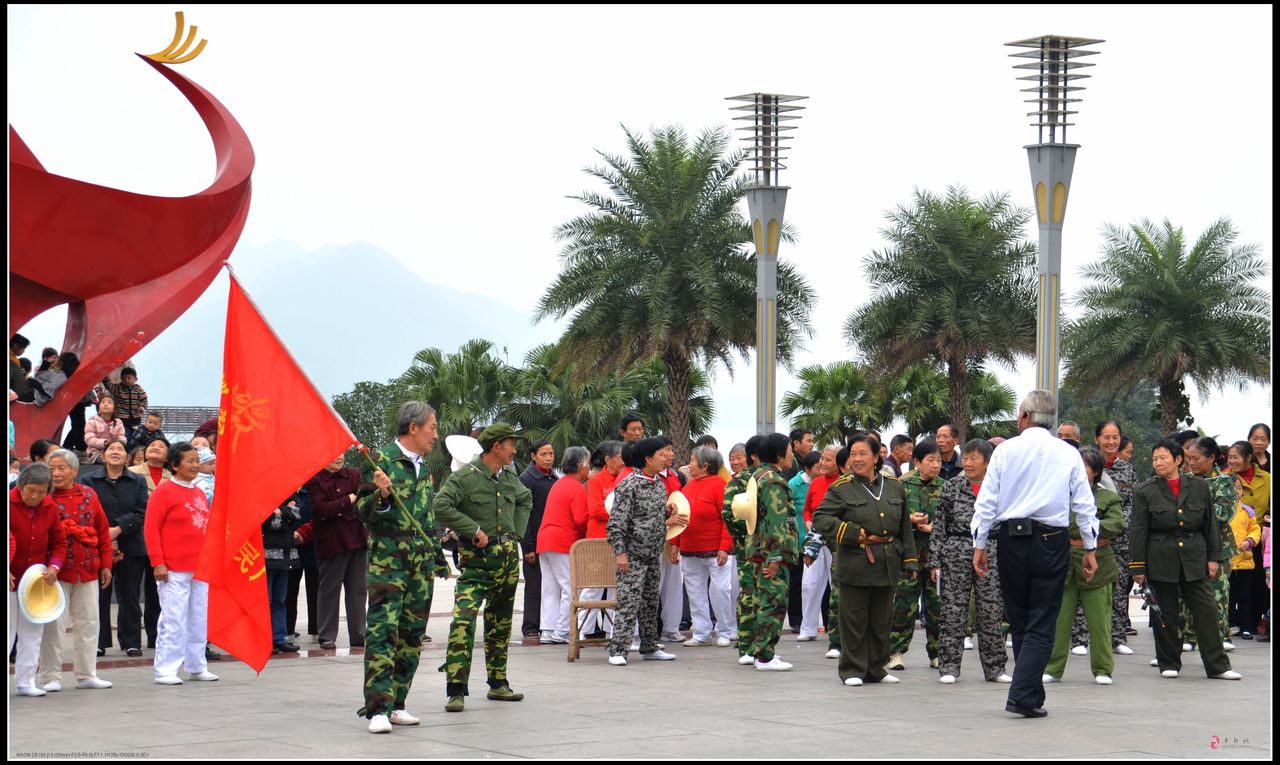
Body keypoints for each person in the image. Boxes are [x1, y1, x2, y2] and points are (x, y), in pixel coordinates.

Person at [970, 391, 1099, 718]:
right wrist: (1090, 546)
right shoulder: (1067, 453)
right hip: (1051, 540)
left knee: (1021, 618)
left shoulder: (1005, 451)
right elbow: (1084, 504)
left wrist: (979, 543)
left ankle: (1029, 693)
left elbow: (986, 501)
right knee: (1043, 620)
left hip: (1011, 541)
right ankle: (1023, 694)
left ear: (1025, 416)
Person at [355, 402, 450, 733]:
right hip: (388, 566)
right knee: (384, 633)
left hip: (419, 567)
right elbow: (363, 513)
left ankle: (397, 702)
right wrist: (381, 496)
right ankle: (377, 709)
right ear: (413, 427)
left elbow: (427, 520)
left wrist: (438, 558)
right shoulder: (380, 462)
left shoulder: (426, 470)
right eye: (432, 428)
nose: (436, 435)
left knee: (411, 636)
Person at [434, 423, 532, 713]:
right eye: (511, 444)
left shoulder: (510, 477)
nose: (515, 450)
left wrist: (516, 531)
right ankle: (455, 689)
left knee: (500, 624)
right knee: (462, 622)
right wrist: (472, 528)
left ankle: (498, 683)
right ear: (497, 447)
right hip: (476, 565)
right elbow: (441, 505)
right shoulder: (465, 477)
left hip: (507, 561)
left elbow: (525, 499)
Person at [1131, 439, 1240, 681]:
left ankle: (1218, 666)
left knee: (1207, 611)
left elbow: (1210, 525)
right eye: (1154, 459)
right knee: (1166, 614)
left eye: (1163, 458)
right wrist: (1137, 566)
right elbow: (1138, 530)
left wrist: (1214, 558)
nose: (1158, 463)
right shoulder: (1145, 491)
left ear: (1178, 459)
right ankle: (1168, 662)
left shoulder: (1199, 487)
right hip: (1161, 557)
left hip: (1194, 556)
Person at [812, 433, 916, 686]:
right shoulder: (841, 488)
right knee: (854, 620)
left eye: (862, 454)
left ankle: (876, 669)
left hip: (887, 562)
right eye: (853, 454)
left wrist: (910, 560)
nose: (857, 459)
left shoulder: (894, 486)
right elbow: (821, 519)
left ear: (876, 457)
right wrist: (850, 532)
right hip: (856, 563)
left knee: (881, 621)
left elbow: (904, 527)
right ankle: (852, 669)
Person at [931, 439, 1010, 685]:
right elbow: (939, 526)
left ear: (988, 462)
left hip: (991, 550)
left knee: (991, 610)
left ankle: (995, 668)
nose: (967, 462)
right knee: (953, 611)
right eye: (965, 457)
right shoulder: (952, 487)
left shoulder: (1000, 487)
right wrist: (935, 560)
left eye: (974, 458)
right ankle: (949, 667)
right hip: (957, 548)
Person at [1044, 446, 1125, 685]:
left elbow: (1116, 524)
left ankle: (1102, 669)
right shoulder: (1060, 495)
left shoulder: (1107, 497)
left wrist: (1087, 528)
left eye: (1084, 466)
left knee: (1099, 620)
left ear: (1096, 470)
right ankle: (1053, 668)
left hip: (1098, 561)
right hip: (1065, 560)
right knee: (1060, 619)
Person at [37, 449, 114, 691]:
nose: (56, 474)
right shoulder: (43, 498)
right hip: (55, 573)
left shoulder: (89, 494)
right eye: (52, 469)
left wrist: (107, 564)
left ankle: (86, 674)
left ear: (74, 471)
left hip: (89, 568)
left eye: (61, 469)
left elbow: (102, 530)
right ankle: (50, 676)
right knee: (53, 626)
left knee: (90, 622)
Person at [605, 437, 684, 666]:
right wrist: (620, 554)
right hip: (632, 556)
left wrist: (667, 514)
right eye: (661, 454)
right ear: (648, 458)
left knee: (650, 603)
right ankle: (618, 650)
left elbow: (652, 518)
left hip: (653, 554)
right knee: (628, 603)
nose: (666, 458)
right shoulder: (629, 485)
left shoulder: (658, 483)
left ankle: (649, 646)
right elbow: (616, 524)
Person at [144, 442, 217, 685]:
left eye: (197, 460)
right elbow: (151, 529)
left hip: (199, 567)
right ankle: (165, 669)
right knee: (174, 619)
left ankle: (196, 665)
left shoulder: (198, 492)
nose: (196, 465)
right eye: (190, 461)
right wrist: (158, 562)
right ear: (175, 465)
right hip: (173, 568)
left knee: (199, 618)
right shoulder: (163, 492)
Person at [83, 439, 150, 658]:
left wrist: (118, 529)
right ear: (103, 456)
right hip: (97, 545)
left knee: (130, 595)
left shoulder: (137, 480)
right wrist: (106, 535)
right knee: (100, 596)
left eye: (120, 449)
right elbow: (87, 510)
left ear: (127, 457)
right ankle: (99, 642)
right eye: (111, 449)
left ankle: (131, 641)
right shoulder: (89, 480)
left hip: (131, 544)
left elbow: (142, 511)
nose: (115, 452)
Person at [1078, 420, 1137, 655]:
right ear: (1096, 439)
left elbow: (1131, 506)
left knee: (1118, 588)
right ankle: (1080, 639)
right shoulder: (1083, 466)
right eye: (1106, 437)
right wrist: (1091, 529)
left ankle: (1117, 637)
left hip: (1117, 540)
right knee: (1084, 585)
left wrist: (1112, 527)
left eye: (1115, 437)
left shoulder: (1128, 470)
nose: (1111, 442)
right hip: (1084, 538)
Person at [9, 463, 68, 696]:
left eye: (41, 492)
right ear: (21, 484)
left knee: (32, 634)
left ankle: (25, 682)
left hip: (36, 582)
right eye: (30, 490)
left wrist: (54, 566)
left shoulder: (50, 507)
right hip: (11, 579)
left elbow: (59, 543)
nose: (34, 496)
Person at [888, 439, 945, 671]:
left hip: (935, 557)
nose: (936, 465)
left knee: (936, 606)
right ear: (917, 462)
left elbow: (953, 520)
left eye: (939, 460)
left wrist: (934, 528)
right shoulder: (902, 485)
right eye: (930, 460)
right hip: (908, 558)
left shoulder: (946, 486)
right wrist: (910, 521)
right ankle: (896, 652)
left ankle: (937, 653)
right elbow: (890, 517)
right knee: (903, 605)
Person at [301, 453, 367, 651]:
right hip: (331, 543)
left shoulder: (354, 475)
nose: (339, 458)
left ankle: (359, 634)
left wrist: (339, 506)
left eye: (342, 454)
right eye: (333, 455)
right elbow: (321, 509)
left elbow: (363, 502)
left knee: (358, 590)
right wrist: (348, 500)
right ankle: (327, 635)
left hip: (357, 539)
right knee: (330, 590)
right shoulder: (314, 480)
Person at [1181, 436, 1239, 652]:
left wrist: (1192, 510)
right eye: (1188, 458)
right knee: (1187, 594)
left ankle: (1221, 635)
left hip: (1218, 548)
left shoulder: (1224, 481)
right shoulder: (1184, 480)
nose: (1191, 463)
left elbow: (1223, 514)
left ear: (1211, 458)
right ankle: (1189, 636)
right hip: (1189, 546)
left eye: (1196, 458)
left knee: (1217, 595)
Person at [673, 446, 734, 648]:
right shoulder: (687, 488)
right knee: (695, 592)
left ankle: (724, 630)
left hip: (716, 550)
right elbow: (678, 518)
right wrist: (674, 544)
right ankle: (701, 632)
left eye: (692, 460)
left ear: (705, 465)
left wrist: (725, 546)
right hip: (690, 549)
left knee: (720, 590)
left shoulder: (720, 486)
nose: (689, 465)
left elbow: (728, 519)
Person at [535, 446, 590, 644]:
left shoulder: (559, 484)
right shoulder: (576, 487)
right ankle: (563, 630)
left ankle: (548, 629)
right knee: (569, 587)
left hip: (545, 540)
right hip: (562, 541)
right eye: (587, 464)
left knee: (550, 588)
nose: (589, 469)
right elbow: (580, 519)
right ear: (580, 466)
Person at [579, 440, 624, 638]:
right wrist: (622, 514)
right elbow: (595, 510)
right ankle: (582, 630)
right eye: (619, 458)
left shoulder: (625, 480)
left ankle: (612, 630)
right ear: (608, 460)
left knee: (616, 587)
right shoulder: (596, 481)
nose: (623, 462)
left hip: (619, 541)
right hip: (599, 539)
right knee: (594, 586)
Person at [1228, 440, 1271, 640]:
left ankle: (1251, 624)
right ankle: (1232, 622)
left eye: (1236, 457)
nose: (1232, 460)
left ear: (1248, 458)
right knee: (1231, 588)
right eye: (1229, 457)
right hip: (1232, 543)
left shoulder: (1267, 478)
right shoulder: (1226, 478)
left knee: (1256, 586)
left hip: (1259, 539)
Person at [801, 445, 842, 658]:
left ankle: (837, 634)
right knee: (809, 584)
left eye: (827, 460)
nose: (822, 463)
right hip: (816, 538)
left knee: (836, 587)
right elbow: (807, 509)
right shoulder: (816, 483)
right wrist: (808, 520)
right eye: (821, 459)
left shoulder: (844, 483)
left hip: (837, 542)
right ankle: (808, 628)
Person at [518, 440, 557, 639]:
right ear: (533, 456)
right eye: (544, 454)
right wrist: (528, 546)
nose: (549, 458)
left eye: (551, 453)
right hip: (534, 541)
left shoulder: (553, 478)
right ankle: (531, 626)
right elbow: (523, 515)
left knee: (549, 585)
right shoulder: (527, 479)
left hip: (550, 541)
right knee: (534, 585)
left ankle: (547, 624)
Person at [263, 489, 305, 653]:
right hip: (266, 555)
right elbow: (266, 521)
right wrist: (285, 514)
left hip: (287, 554)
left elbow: (298, 513)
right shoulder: (261, 494)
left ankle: (278, 637)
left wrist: (280, 511)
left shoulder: (291, 495)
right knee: (265, 599)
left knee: (280, 599)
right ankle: (264, 638)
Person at [787, 449, 821, 638]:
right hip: (799, 539)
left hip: (818, 541)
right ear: (807, 469)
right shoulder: (793, 484)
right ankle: (796, 620)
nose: (821, 469)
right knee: (798, 582)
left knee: (818, 584)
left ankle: (823, 620)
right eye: (818, 467)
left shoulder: (823, 483)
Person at [1226, 474, 1261, 647]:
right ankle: (1231, 624)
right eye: (1232, 488)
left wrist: (1250, 540)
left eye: (1239, 488)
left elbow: (1255, 528)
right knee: (1229, 596)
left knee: (1245, 597)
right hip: (1228, 561)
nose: (1236, 491)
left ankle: (1246, 626)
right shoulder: (1221, 511)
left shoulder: (1247, 511)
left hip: (1245, 561)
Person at [99, 367, 149, 443]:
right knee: (125, 435)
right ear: (121, 379)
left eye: (129, 378)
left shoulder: (139, 390)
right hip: (122, 418)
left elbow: (144, 400)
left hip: (135, 419)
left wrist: (142, 407)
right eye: (124, 378)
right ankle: (125, 449)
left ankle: (132, 450)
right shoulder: (119, 388)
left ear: (135, 379)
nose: (126, 380)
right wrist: (104, 377)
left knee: (135, 436)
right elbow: (109, 386)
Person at [82, 394, 126, 464]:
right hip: (96, 453)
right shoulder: (92, 421)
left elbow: (122, 438)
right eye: (103, 402)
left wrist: (115, 444)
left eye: (109, 403)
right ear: (98, 407)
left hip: (114, 451)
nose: (105, 404)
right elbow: (89, 440)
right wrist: (105, 443)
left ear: (114, 408)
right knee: (104, 461)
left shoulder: (118, 422)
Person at [9, 333, 33, 403]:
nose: (24, 351)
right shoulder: (12, 360)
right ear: (16, 346)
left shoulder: (14, 359)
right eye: (23, 348)